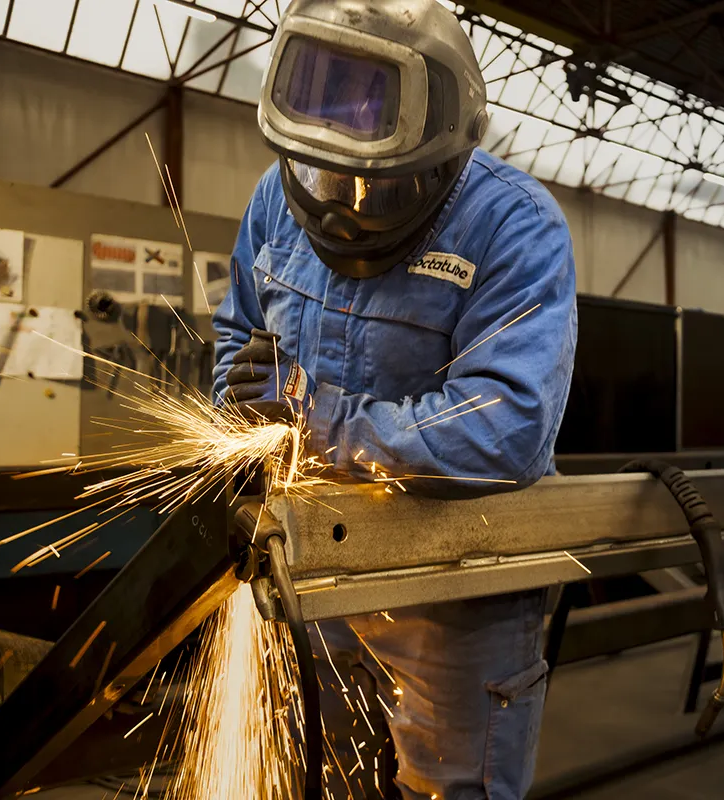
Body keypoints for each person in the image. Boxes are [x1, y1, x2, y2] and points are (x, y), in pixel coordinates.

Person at [209, 1, 578, 797]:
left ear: (439, 161)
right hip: (317, 564)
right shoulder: (274, 202)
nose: (342, 202)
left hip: (456, 592)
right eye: (317, 172)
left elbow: (506, 428)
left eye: (372, 184)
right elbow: (235, 329)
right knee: (321, 778)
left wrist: (315, 416)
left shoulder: (512, 226)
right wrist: (234, 410)